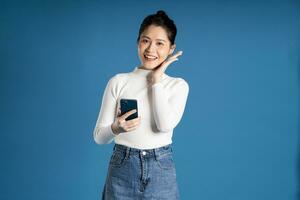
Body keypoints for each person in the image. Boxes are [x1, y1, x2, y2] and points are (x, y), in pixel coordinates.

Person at [93, 10, 189, 199]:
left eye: (160, 43)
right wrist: (116, 128)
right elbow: (99, 137)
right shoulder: (118, 82)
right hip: (122, 166)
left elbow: (164, 126)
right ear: (138, 42)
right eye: (145, 40)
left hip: (160, 168)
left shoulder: (177, 85)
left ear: (171, 48)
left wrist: (156, 81)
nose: (150, 49)